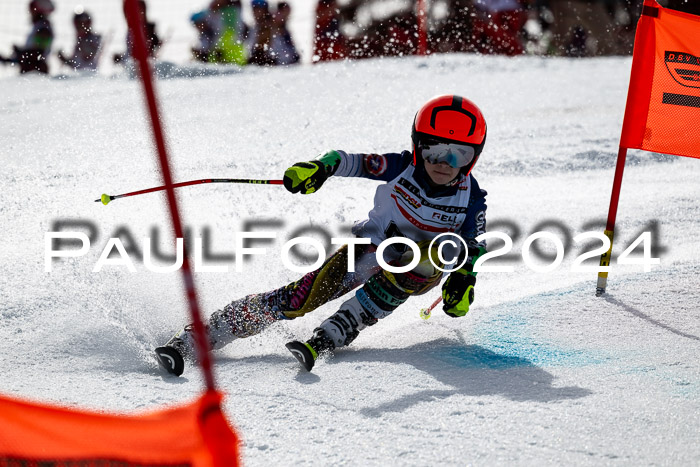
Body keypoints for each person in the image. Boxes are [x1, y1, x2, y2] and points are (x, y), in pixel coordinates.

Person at [155, 95, 489, 375]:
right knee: (301, 298)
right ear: (417, 145)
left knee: (429, 256)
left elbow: (472, 246)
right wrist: (320, 167)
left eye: (459, 154)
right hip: (370, 248)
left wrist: (462, 282)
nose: (444, 162)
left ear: (473, 158)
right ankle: (208, 332)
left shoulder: (471, 197)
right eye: (434, 150)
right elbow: (349, 161)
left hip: (418, 268)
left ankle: (344, 324)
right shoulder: (401, 166)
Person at [0, 0, 54, 74]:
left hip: (36, 71)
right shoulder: (39, 27)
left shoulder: (43, 30)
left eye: (31, 10)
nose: (30, 13)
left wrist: (20, 53)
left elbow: (38, 53)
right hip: (31, 70)